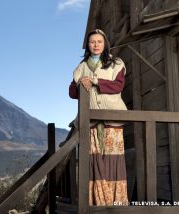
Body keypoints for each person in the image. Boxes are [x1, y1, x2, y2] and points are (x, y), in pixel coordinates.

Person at [69, 29, 128, 206]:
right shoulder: (81, 67)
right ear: (88, 45)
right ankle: (95, 203)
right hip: (91, 123)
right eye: (92, 42)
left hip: (112, 120)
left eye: (99, 41)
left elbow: (118, 86)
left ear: (105, 44)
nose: (95, 45)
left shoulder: (116, 63)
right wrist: (80, 83)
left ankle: (115, 203)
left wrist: (95, 81)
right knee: (94, 162)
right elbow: (72, 93)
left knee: (113, 160)